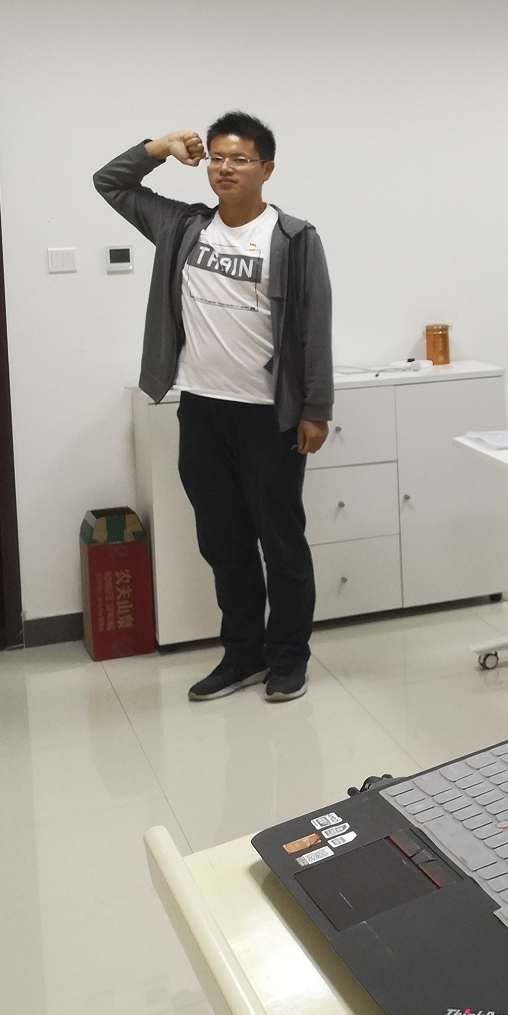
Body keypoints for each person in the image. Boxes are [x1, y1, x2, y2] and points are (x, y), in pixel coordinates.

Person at [95, 115, 333, 704]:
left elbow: (315, 328)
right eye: (218, 158)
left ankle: (289, 658)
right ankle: (243, 655)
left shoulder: (294, 238)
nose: (225, 168)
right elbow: (111, 182)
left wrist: (316, 408)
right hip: (202, 410)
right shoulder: (183, 226)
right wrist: (159, 147)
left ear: (267, 169)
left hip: (269, 417)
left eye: (240, 159)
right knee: (223, 543)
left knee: (281, 542)